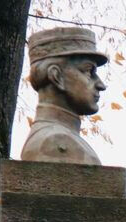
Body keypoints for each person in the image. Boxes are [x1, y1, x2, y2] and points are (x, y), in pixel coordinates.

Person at [21, 27, 107, 165]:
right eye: (89, 71)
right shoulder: (54, 142)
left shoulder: (64, 138)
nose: (101, 85)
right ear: (57, 77)